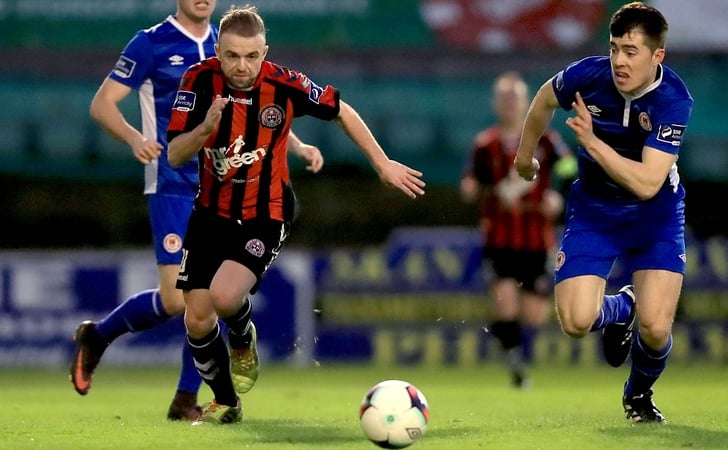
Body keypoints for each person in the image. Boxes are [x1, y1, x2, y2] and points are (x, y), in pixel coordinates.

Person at [166, 4, 425, 425]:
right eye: (232, 56)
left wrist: (381, 163)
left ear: (264, 52)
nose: (242, 66)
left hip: (266, 213)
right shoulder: (197, 81)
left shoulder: (285, 83)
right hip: (210, 213)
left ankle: (242, 335)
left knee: (225, 297)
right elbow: (175, 154)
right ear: (217, 51)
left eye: (252, 56)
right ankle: (227, 401)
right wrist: (204, 130)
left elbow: (341, 110)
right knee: (196, 318)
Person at [70, 0, 324, 421]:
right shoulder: (151, 44)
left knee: (209, 296)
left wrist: (294, 145)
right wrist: (135, 139)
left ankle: (188, 398)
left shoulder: (229, 43)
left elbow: (254, 108)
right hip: (174, 183)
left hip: (228, 185)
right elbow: (102, 104)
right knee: (177, 298)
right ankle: (98, 336)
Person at [514, 2, 692, 424]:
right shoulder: (588, 76)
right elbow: (543, 99)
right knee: (576, 322)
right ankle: (623, 306)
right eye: (614, 48)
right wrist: (524, 157)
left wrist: (593, 144)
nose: (619, 61)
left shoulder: (673, 100)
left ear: (657, 55)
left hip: (655, 216)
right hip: (594, 211)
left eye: (631, 51)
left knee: (656, 329)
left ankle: (638, 395)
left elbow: (647, 183)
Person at [460, 71, 572, 389]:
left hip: (537, 239)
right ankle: (515, 364)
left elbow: (569, 169)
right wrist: (472, 188)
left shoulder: (547, 140)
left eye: (515, 97)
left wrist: (558, 197)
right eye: (504, 97)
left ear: (525, 102)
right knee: (505, 301)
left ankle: (510, 344)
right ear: (496, 104)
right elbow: (471, 181)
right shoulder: (486, 144)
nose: (510, 103)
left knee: (535, 314)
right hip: (499, 238)